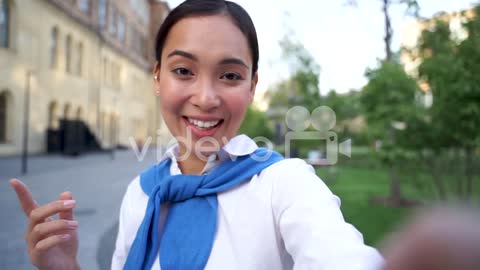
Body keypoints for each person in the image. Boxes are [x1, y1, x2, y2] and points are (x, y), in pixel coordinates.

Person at [9, 0, 480, 270]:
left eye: (230, 76)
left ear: (252, 87)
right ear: (157, 78)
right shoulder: (141, 193)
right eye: (182, 70)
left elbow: (339, 256)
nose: (206, 97)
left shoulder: (283, 184)